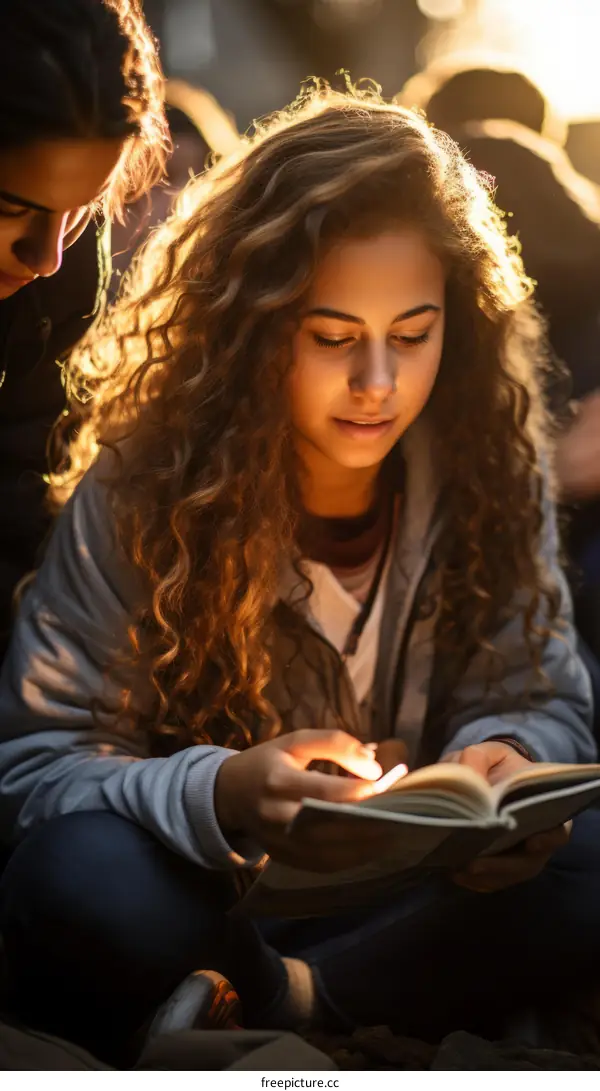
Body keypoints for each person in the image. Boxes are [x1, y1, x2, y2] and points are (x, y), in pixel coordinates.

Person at [0, 85, 599, 1065]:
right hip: (207, 896)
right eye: (331, 337)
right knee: (75, 875)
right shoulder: (147, 479)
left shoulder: (491, 458)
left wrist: (510, 758)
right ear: (248, 325)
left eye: (413, 334)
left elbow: (540, 691)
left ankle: (295, 1002)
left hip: (421, 901)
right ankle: (295, 989)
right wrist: (225, 789)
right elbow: (35, 767)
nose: (377, 382)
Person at [0, 0, 168, 664]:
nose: (47, 258)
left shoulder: (59, 286)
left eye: (83, 212)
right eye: (11, 209)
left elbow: (20, 500)